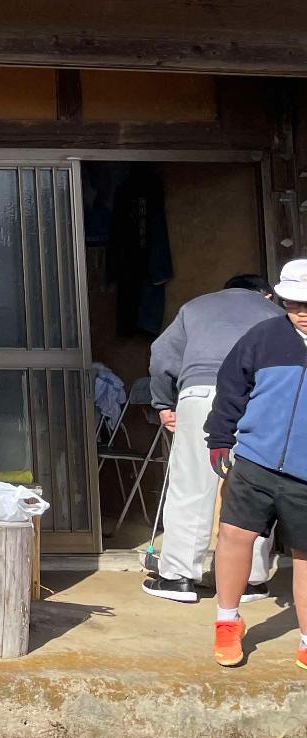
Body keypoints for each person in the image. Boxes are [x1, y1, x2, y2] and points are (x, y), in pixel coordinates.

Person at [145, 274, 278, 603]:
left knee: (191, 482)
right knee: (255, 484)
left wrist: (164, 404)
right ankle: (251, 580)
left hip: (201, 392)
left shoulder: (195, 307)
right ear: (265, 294)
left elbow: (162, 355)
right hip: (259, 394)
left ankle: (177, 578)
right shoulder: (275, 313)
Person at [206, 257, 307, 671]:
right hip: (256, 460)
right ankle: (227, 621)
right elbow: (230, 388)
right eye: (293, 303)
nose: (301, 311)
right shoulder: (263, 337)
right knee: (233, 536)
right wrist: (220, 437)